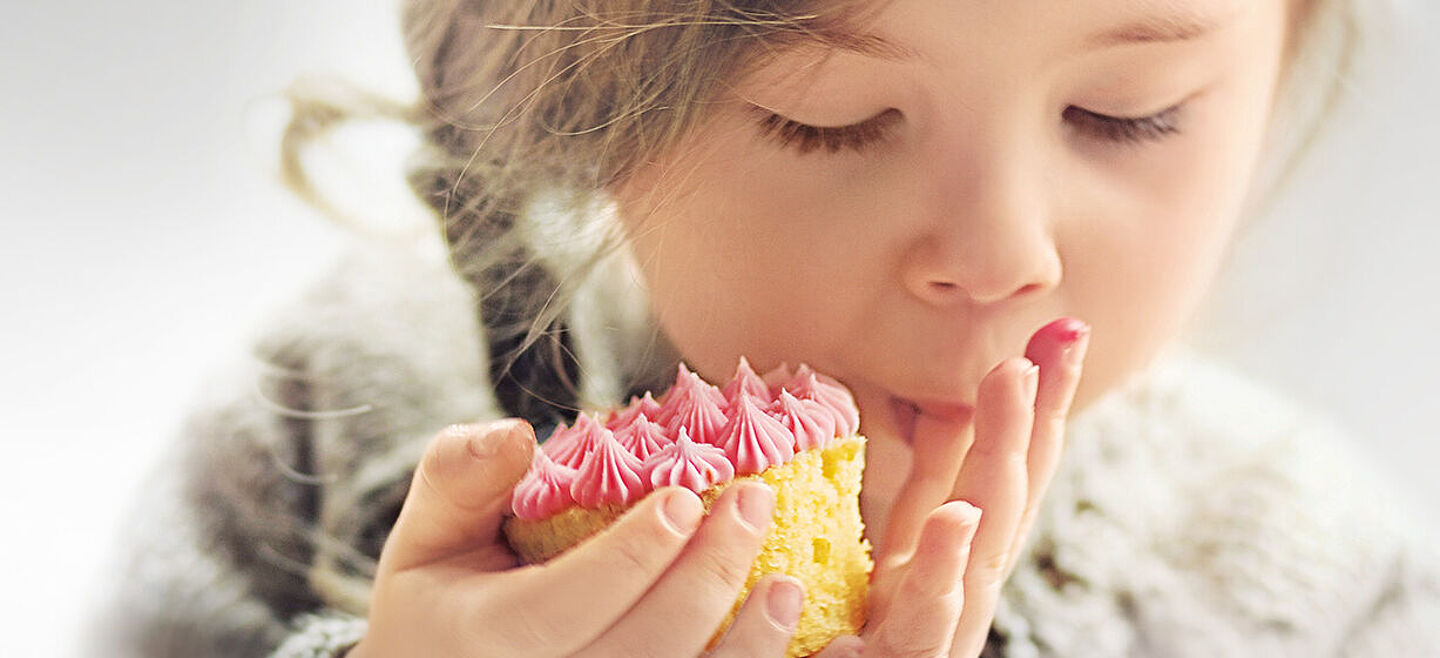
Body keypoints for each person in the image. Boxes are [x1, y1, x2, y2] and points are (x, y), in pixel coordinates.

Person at [91, 0, 1440, 656]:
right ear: (577, 107)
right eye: (829, 121)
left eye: (1129, 111)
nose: (995, 255)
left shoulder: (1320, 588)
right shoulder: (329, 424)